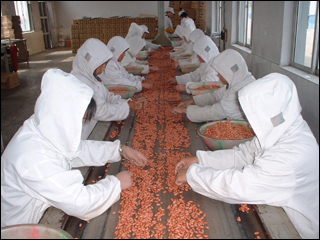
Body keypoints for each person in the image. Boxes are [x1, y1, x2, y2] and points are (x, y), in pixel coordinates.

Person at [174, 72, 319, 239]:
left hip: (297, 230)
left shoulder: (291, 156)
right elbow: (243, 154)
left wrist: (194, 175)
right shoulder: (282, 131)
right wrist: (200, 159)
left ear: (271, 114)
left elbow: (242, 185)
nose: (250, 122)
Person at [1, 69, 148, 228]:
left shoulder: (45, 125)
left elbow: (76, 149)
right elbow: (80, 203)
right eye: (79, 120)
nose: (80, 126)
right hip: (17, 228)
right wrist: (116, 184)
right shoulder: (33, 159)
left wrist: (120, 150)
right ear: (63, 116)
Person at [71, 38, 145, 124]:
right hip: (86, 130)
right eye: (101, 65)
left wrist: (127, 103)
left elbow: (108, 96)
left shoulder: (91, 77)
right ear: (90, 63)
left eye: (104, 64)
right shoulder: (80, 83)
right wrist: (127, 107)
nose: (103, 68)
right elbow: (99, 111)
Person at [171, 49, 256, 123]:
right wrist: (191, 102)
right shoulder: (237, 81)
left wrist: (185, 111)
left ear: (230, 72)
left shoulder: (241, 89)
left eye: (221, 73)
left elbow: (216, 112)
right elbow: (215, 96)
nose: (218, 75)